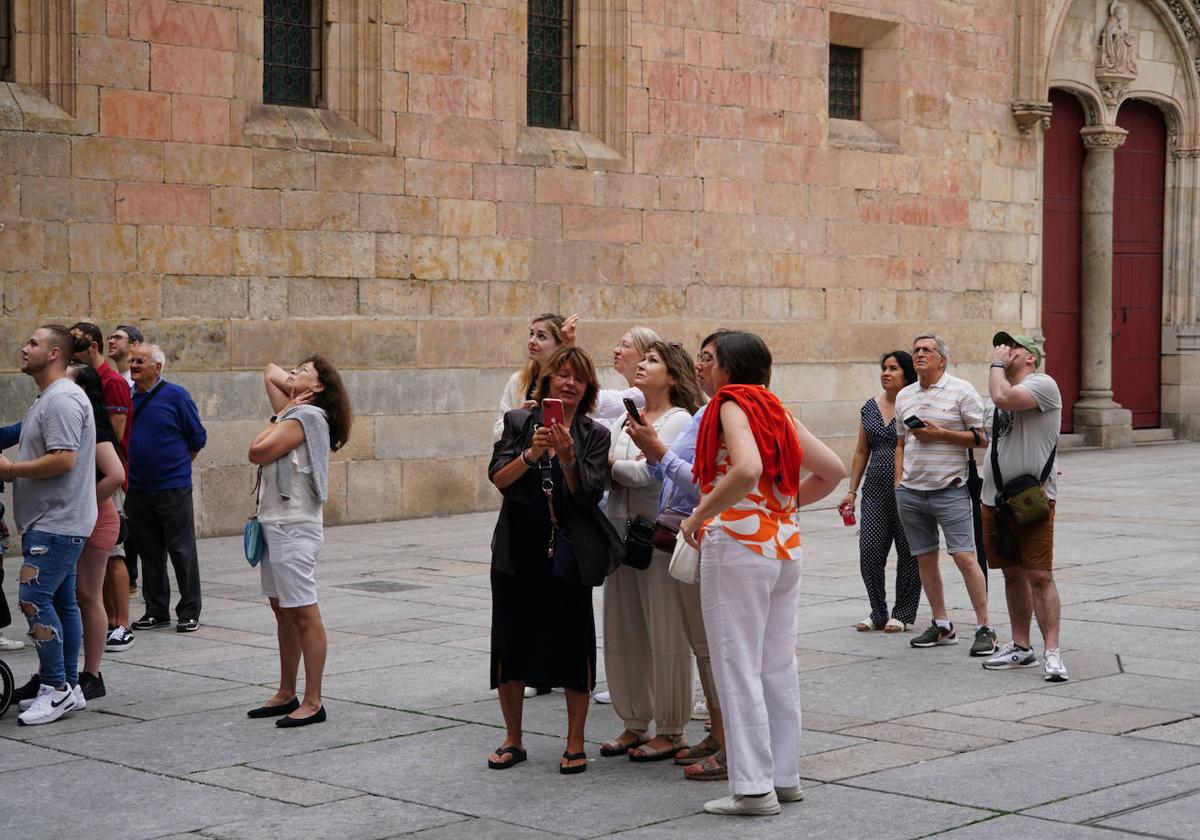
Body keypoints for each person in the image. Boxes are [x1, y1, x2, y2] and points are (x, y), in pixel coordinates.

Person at [681, 331, 845, 816]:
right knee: (776, 665)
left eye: (709, 361)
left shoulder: (730, 403)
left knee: (738, 664)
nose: (702, 368)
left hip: (737, 546)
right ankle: (783, 777)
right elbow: (832, 470)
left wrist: (699, 514)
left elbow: (747, 468)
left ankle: (753, 789)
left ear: (730, 369)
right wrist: (783, 507)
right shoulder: (776, 409)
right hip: (783, 546)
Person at [487, 346, 611, 775]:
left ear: (588, 387)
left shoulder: (595, 434)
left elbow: (589, 494)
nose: (569, 383)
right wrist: (532, 454)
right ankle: (513, 738)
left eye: (578, 377)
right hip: (517, 547)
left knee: (573, 642)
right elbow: (499, 479)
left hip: (569, 550)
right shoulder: (519, 423)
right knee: (511, 640)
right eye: (562, 375)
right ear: (547, 381)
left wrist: (568, 457)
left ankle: (575, 742)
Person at [625, 331, 728, 781]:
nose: (699, 365)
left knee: (710, 647)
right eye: (700, 358)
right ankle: (719, 733)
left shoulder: (725, 414)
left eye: (708, 358)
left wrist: (658, 453)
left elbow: (707, 483)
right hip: (689, 535)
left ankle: (727, 743)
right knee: (704, 647)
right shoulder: (707, 411)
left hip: (707, 538)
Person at [601, 341, 700, 763]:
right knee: (624, 632)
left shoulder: (679, 420)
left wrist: (607, 465)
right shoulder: (630, 417)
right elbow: (628, 470)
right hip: (619, 537)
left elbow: (649, 473)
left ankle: (672, 728)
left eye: (653, 361)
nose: (641, 365)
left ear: (673, 376)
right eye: (642, 359)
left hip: (656, 538)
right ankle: (634, 722)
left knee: (666, 634)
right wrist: (616, 467)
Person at [246, 357, 352, 727]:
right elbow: (269, 370)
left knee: (304, 612)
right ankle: (286, 692)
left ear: (319, 387)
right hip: (276, 521)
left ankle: (313, 700)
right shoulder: (296, 412)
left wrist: (288, 406)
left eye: (303, 370)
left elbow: (256, 451)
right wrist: (294, 389)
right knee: (283, 611)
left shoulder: (306, 417)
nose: (291, 373)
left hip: (294, 524)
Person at [0, 325, 98, 726]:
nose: (24, 349)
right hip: (57, 519)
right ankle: (68, 688)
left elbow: (64, 459)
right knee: (61, 602)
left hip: (57, 522)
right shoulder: (50, 398)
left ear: (55, 353)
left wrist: (11, 471)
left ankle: (55, 688)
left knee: (32, 599)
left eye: (33, 343)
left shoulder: (62, 399)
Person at [894, 333, 996, 656]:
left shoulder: (961, 391)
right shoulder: (905, 396)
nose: (920, 354)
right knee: (925, 558)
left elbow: (982, 439)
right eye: (916, 350)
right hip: (911, 492)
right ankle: (942, 624)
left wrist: (941, 434)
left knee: (965, 556)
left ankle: (984, 628)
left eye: (927, 350)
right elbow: (900, 442)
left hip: (949, 490)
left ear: (943, 359)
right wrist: (899, 483)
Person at [979, 333, 1068, 682]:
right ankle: (1020, 646)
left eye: (1012, 347)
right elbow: (991, 438)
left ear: (1030, 358)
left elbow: (1003, 396)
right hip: (994, 499)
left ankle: (1052, 652)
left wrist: (995, 364)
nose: (1004, 350)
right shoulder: (995, 391)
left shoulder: (1044, 384)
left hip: (1031, 500)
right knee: (1011, 572)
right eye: (1002, 346)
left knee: (1039, 575)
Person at [125, 344, 207, 633]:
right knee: (149, 552)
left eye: (140, 361)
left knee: (181, 551)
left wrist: (176, 468)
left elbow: (197, 438)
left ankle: (189, 610)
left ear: (157, 367)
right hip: (136, 488)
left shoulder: (176, 396)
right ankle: (156, 609)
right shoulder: (127, 397)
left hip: (172, 488)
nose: (133, 365)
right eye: (132, 361)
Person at [839, 351, 923, 633]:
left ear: (907, 374)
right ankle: (877, 611)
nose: (886, 373)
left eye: (893, 368)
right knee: (870, 550)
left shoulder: (916, 404)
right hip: (874, 490)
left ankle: (902, 613)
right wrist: (851, 491)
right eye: (884, 368)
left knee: (909, 552)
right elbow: (862, 451)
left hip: (909, 489)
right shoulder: (870, 407)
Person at [70, 322, 136, 654]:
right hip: (91, 478)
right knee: (96, 555)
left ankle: (122, 622)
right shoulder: (86, 380)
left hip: (107, 478)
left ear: (91, 348)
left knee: (114, 552)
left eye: (77, 350)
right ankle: (106, 620)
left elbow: (114, 434)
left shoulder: (111, 383)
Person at [64, 362, 126, 700]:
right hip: (82, 519)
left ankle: (92, 673)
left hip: (96, 520)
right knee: (75, 597)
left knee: (88, 596)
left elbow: (115, 475)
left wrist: (83, 503)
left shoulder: (97, 429)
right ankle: (64, 672)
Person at [493, 313, 578, 441]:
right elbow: (497, 434)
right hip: (521, 459)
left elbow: (579, 429)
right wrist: (519, 418)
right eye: (531, 334)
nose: (532, 341)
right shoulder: (518, 380)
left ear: (559, 345)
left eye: (541, 336)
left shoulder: (569, 384)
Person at [106, 323, 142, 595]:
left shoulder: (140, 384)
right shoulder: (109, 382)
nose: (111, 340)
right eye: (110, 336)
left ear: (134, 346)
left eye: (118, 337)